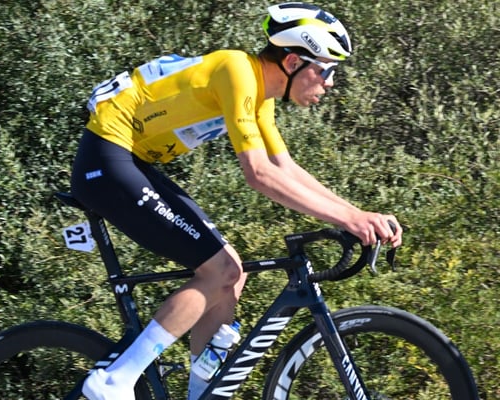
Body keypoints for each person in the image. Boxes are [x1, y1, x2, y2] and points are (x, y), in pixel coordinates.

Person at [70, 2, 403, 399]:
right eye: (326, 69)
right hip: (107, 158)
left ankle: (201, 394)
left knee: (232, 275)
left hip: (131, 161)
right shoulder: (237, 71)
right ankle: (114, 380)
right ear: (293, 61)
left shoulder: (261, 94)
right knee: (222, 270)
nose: (330, 83)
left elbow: (284, 167)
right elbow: (258, 174)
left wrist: (357, 214)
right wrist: (348, 221)